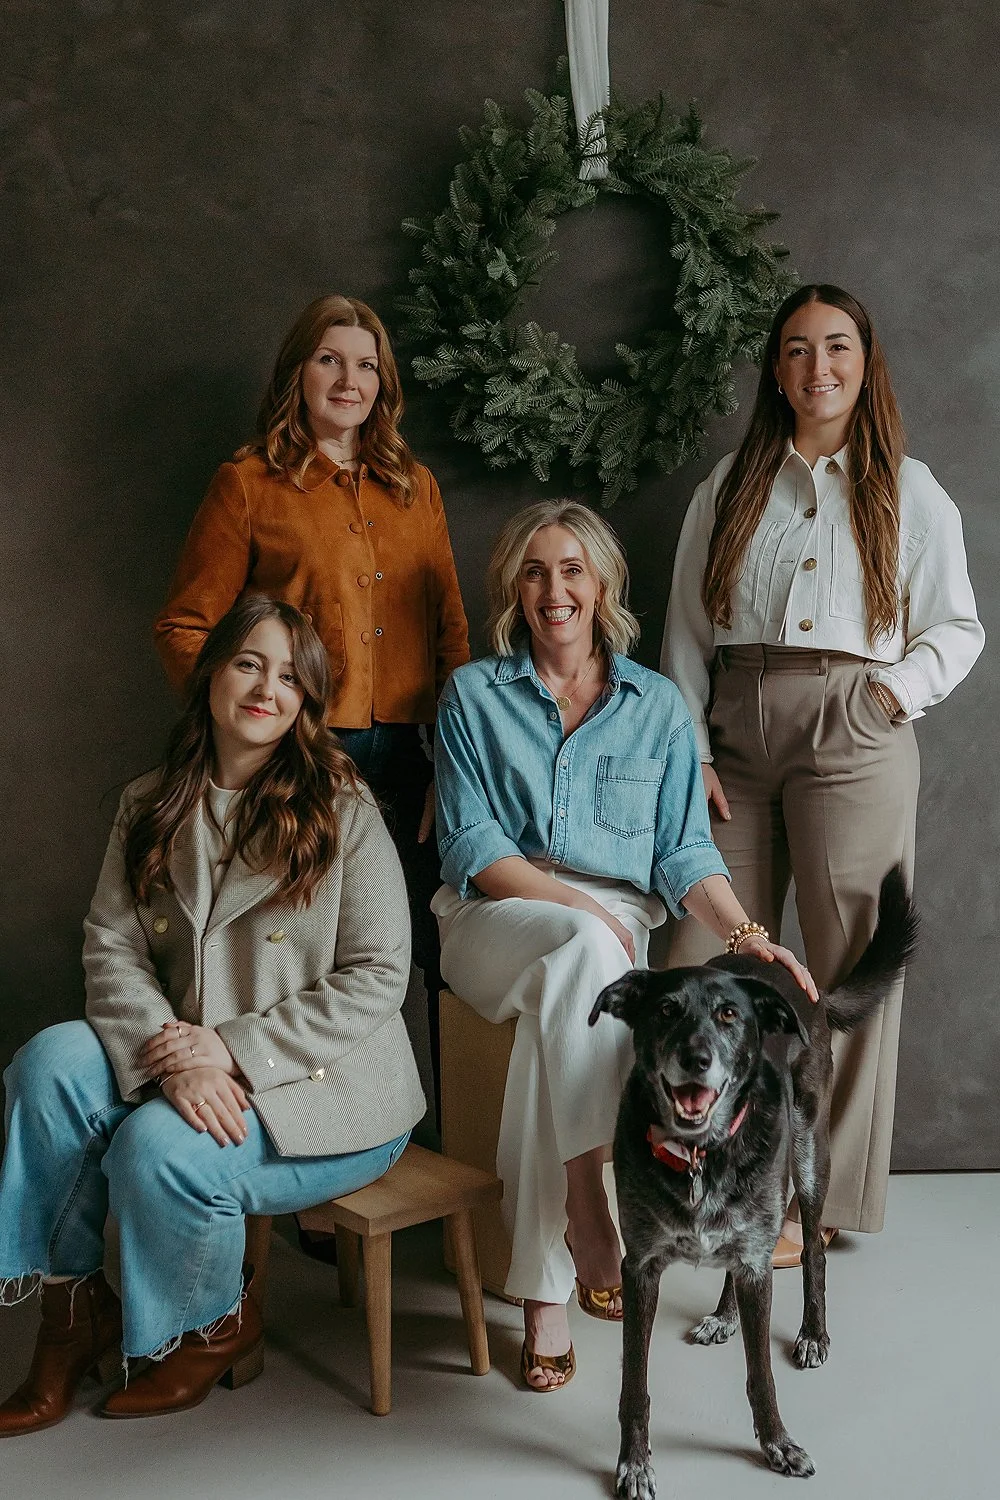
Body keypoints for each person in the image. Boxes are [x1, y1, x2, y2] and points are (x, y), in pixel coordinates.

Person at [0, 596, 425, 1430]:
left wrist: (228, 1052)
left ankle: (212, 1325)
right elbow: (111, 948)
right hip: (181, 1050)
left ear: (306, 701)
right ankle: (69, 1318)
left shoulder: (343, 809)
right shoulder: (150, 801)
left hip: (324, 1084)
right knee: (47, 1065)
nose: (266, 688)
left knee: (155, 1144)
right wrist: (179, 1057)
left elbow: (380, 975)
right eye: (248, 664)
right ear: (213, 674)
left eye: (289, 676)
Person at [432, 500, 815, 1392]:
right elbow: (470, 848)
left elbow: (684, 851)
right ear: (513, 591)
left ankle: (542, 1295)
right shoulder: (472, 696)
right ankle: (589, 1205)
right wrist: (582, 908)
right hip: (492, 916)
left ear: (602, 585)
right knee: (580, 946)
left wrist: (749, 935)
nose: (552, 590)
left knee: (555, 1016)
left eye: (571, 570)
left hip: (589, 944)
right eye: (534, 571)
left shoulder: (657, 706)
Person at [661, 283, 984, 1264]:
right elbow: (681, 625)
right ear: (775, 369)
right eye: (796, 349)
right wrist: (689, 752)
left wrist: (888, 696)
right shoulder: (729, 485)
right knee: (699, 960)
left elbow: (959, 626)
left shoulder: (907, 488)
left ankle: (817, 1197)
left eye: (835, 346)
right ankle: (693, 1173)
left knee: (847, 976)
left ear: (863, 360)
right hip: (734, 726)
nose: (817, 367)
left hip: (855, 728)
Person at [154, 294, 469, 1117]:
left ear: (384, 385)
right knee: (298, 959)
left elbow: (452, 636)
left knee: (403, 952)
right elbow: (186, 625)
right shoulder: (250, 483)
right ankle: (301, 1145)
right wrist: (248, 722)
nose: (349, 379)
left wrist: (459, 765)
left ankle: (405, 1130)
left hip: (406, 760)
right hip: (299, 762)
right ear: (299, 371)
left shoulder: (416, 490)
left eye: (367, 365)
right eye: (331, 359)